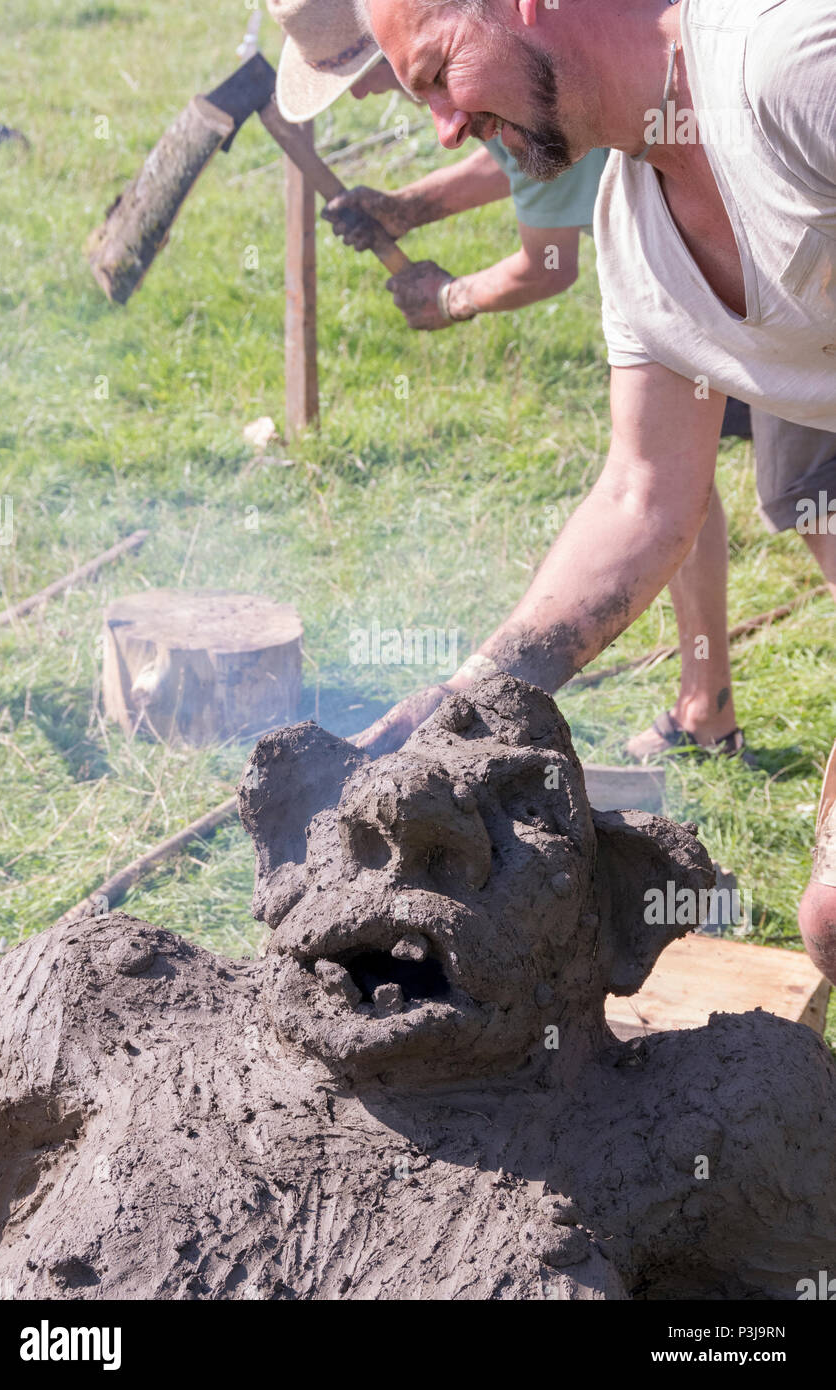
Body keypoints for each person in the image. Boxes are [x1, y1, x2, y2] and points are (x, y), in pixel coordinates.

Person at [338, 0, 836, 981]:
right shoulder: (633, 228)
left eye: (438, 71)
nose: (443, 126)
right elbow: (641, 500)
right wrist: (469, 701)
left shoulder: (789, 71)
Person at [267, 0, 608, 332]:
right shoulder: (491, 72)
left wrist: (448, 299)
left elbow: (549, 268)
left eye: (358, 74)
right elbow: (531, 164)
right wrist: (408, 208)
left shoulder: (506, 79)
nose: (357, 94)